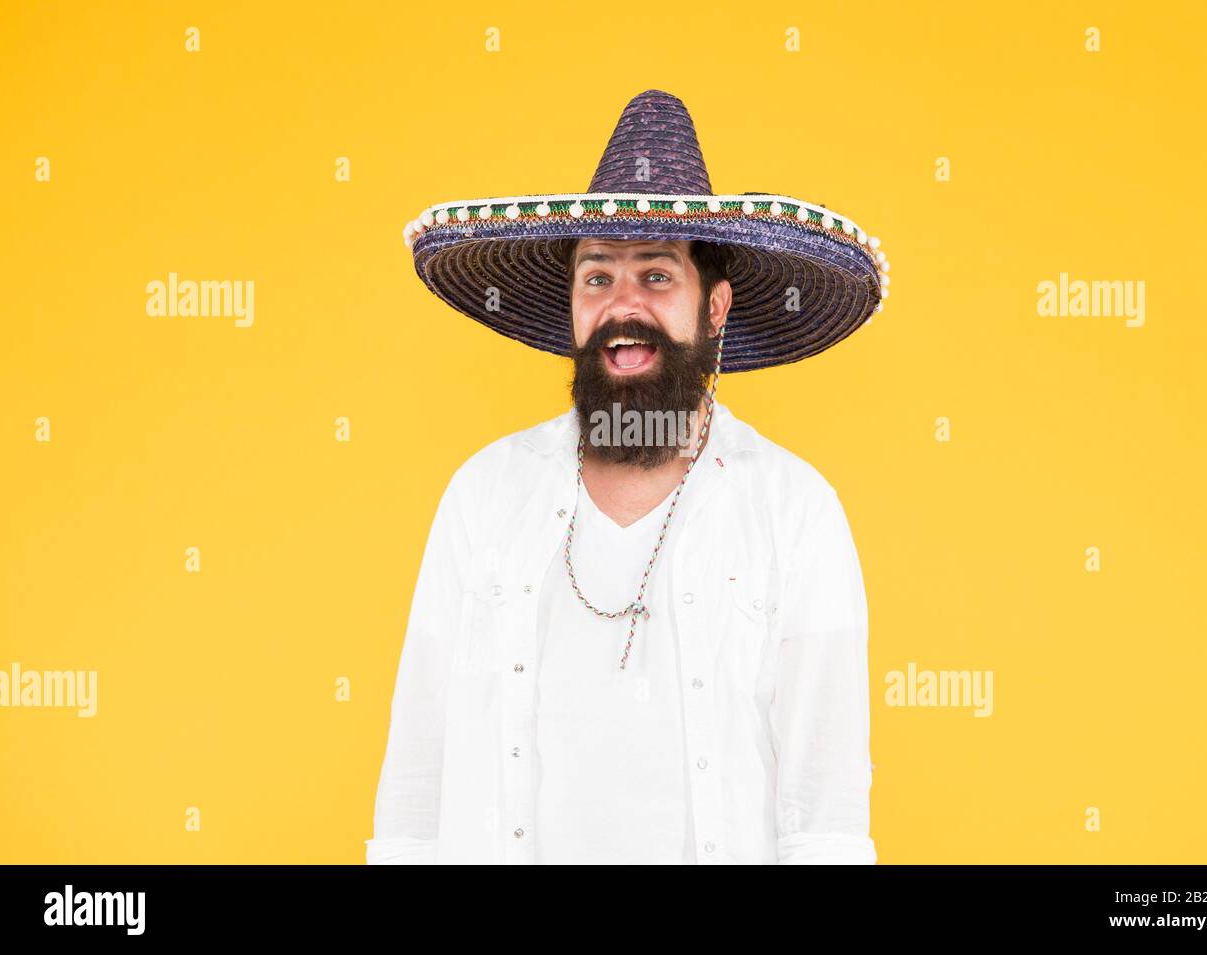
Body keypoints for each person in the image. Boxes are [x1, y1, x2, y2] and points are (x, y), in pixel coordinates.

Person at [368, 89, 891, 864]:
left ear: (714, 307)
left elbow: (826, 819)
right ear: (573, 305)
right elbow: (416, 786)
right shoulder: (484, 496)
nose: (623, 306)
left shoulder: (794, 511)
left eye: (655, 275)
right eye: (597, 277)